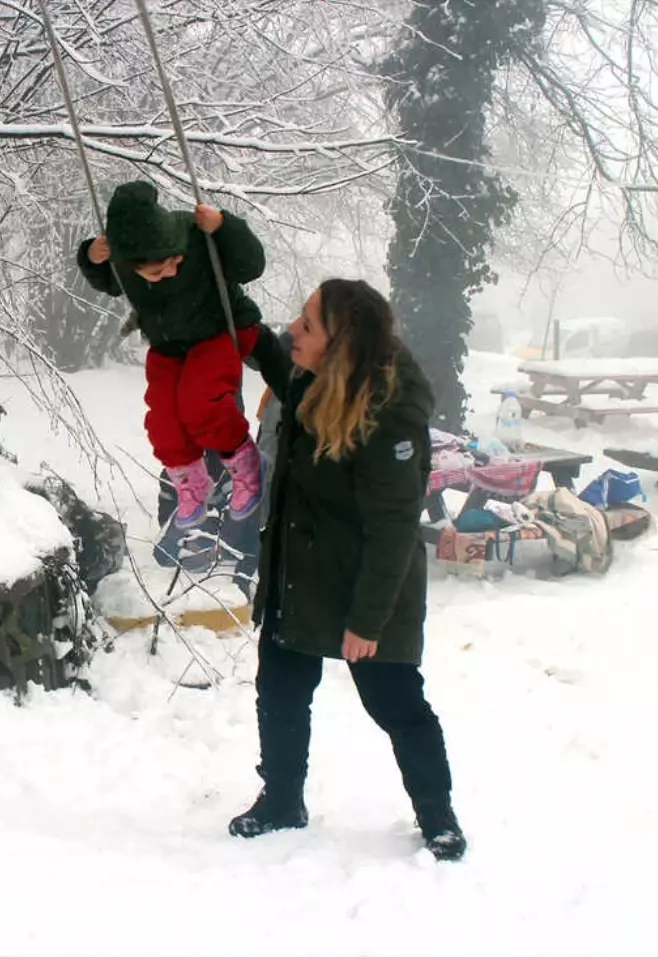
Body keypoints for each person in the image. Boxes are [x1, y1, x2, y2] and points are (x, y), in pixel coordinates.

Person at [232, 278, 467, 862]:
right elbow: (267, 349)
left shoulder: (389, 412)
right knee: (281, 688)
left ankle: (437, 814)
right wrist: (211, 276)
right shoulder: (309, 374)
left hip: (371, 584)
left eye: (308, 326)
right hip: (304, 570)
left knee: (394, 701)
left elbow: (393, 529)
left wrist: (366, 621)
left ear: (342, 346)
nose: (294, 331)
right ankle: (282, 799)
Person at [77, 181, 267, 529]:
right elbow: (107, 281)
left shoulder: (193, 233)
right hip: (168, 346)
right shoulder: (122, 259)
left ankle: (245, 464)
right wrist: (90, 257)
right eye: (158, 271)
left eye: (175, 263)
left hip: (215, 332)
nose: (171, 272)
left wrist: (225, 226)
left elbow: (251, 266)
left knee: (202, 404)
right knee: (163, 420)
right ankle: (191, 482)